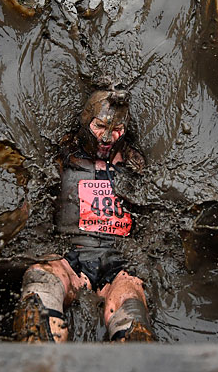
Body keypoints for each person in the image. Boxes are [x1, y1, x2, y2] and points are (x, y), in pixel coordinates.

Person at [13, 86, 154, 342]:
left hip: (118, 261)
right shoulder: (62, 155)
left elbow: (153, 218)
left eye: (117, 130)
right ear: (86, 120)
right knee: (40, 285)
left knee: (131, 310)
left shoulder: (136, 164)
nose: (107, 137)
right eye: (99, 126)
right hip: (70, 255)